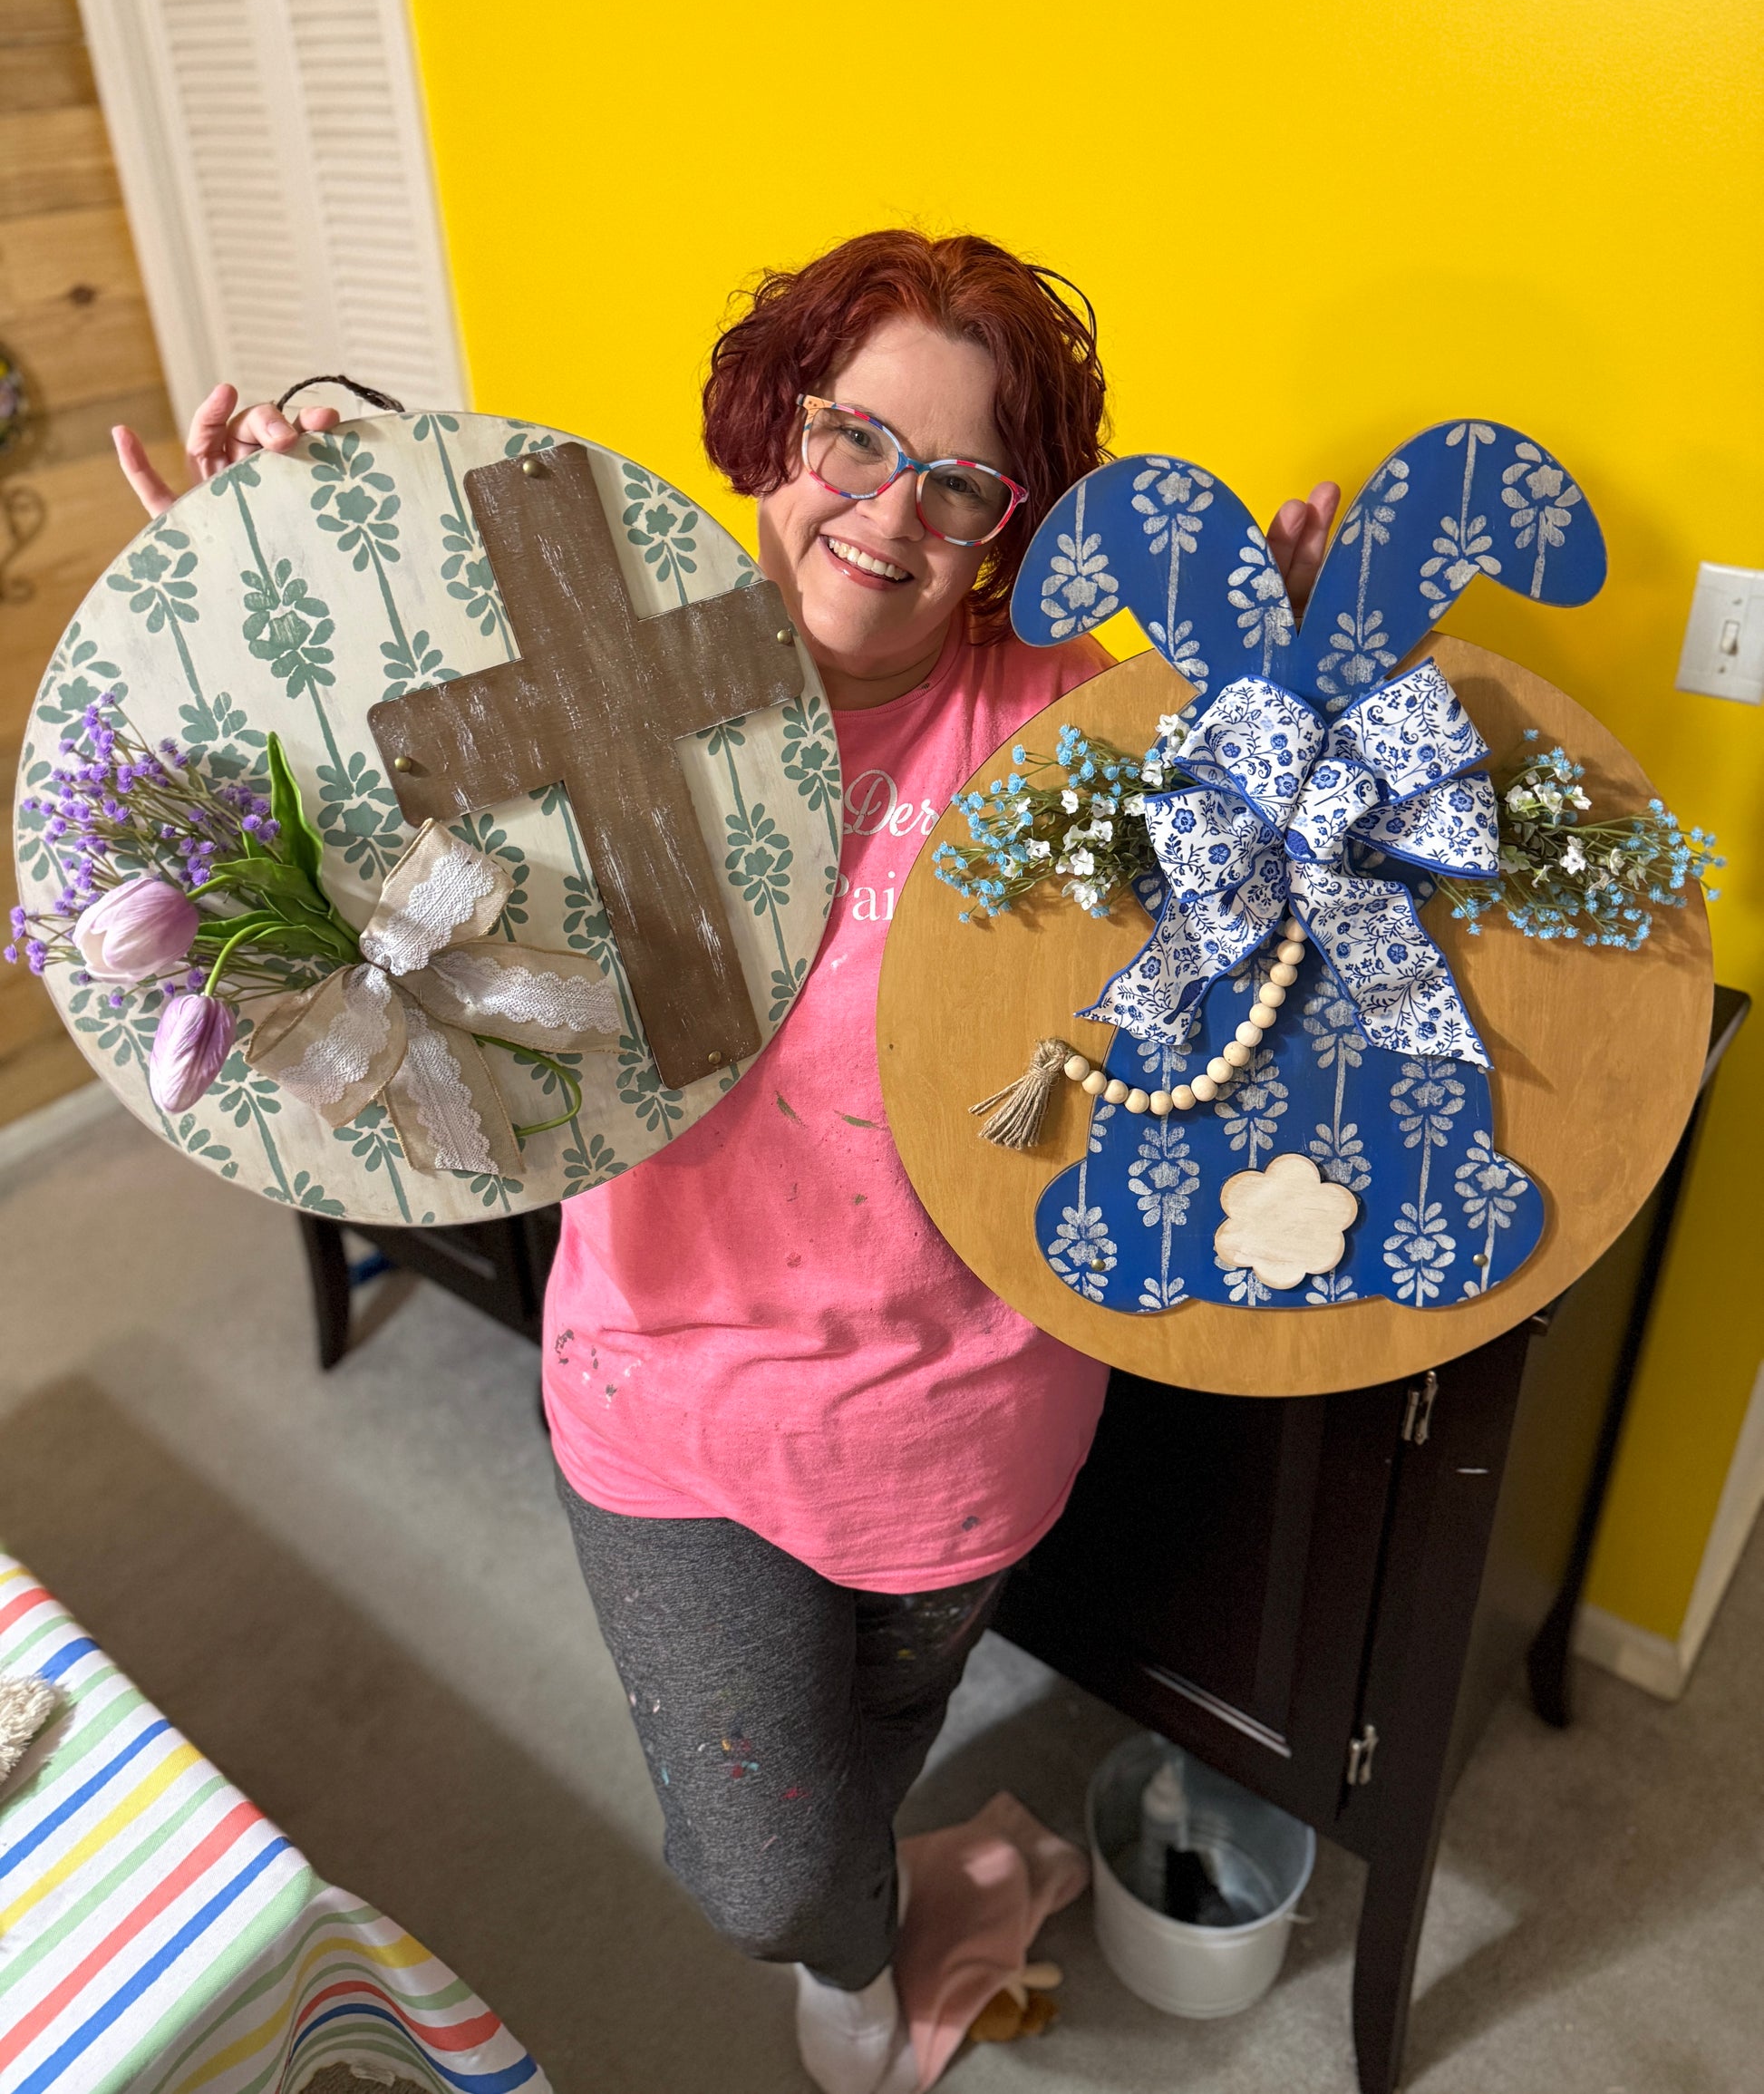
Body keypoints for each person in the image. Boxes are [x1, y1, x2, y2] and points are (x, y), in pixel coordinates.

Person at [115, 228, 1334, 2094]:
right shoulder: (591, 652)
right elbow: (339, 753)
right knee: (760, 1868)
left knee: (863, 1747)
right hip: (668, 1391)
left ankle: (893, 1881)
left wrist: (1276, 716)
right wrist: (262, 555)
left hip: (966, 1414)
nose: (891, 512)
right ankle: (854, 1941)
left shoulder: (1054, 721)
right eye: (856, 439)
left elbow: (1229, 981)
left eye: (960, 482)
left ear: (1007, 527)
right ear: (778, 426)